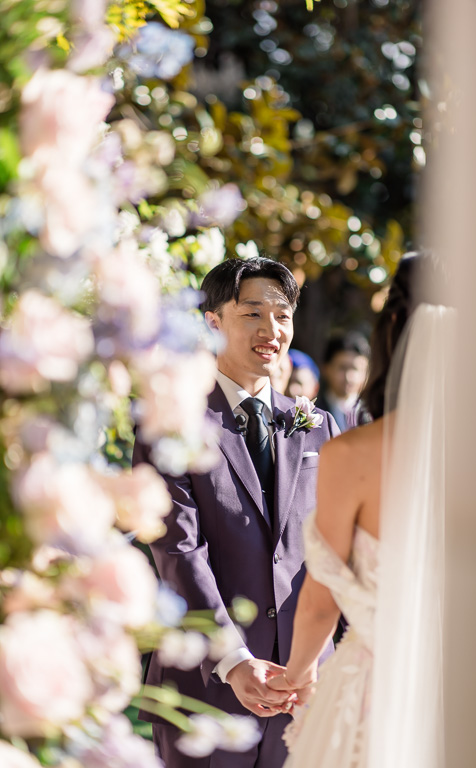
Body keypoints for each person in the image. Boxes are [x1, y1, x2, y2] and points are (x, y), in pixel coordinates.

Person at [133, 256, 340, 768]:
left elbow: (335, 551)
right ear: (214, 320)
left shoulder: (319, 426)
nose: (272, 329)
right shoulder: (174, 422)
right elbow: (179, 551)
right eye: (253, 314)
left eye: (283, 315)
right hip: (206, 689)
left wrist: (316, 658)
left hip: (306, 688)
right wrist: (234, 660)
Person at [268, 251, 451, 768]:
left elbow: (321, 602)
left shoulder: (353, 453)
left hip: (379, 688)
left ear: (391, 329)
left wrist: (297, 672)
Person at [316, 331, 370, 430]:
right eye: (342, 368)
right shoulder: (313, 412)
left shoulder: (373, 415)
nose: (348, 377)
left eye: (355, 369)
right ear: (326, 369)